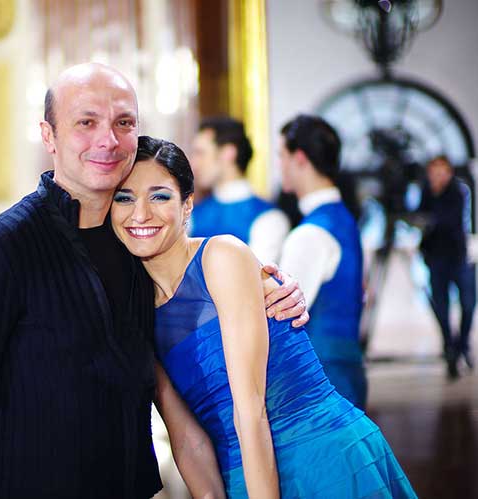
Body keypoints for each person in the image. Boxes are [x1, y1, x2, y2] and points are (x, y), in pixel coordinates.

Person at [0, 62, 307, 499]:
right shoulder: (4, 246)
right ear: (48, 135)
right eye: (86, 122)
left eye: (124, 122)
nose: (108, 140)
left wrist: (274, 288)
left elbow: (199, 293)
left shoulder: (136, 245)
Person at [111, 135, 417, 498]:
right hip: (240, 475)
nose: (140, 213)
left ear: (187, 204)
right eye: (124, 198)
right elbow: (187, 440)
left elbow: (250, 411)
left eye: (159, 195)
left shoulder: (221, 257)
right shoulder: (134, 309)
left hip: (321, 461)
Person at [278, 114, 367, 410]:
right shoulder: (343, 219)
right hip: (348, 368)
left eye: (282, 155)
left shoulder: (311, 233)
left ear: (300, 158)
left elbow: (281, 317)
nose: (280, 166)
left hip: (321, 380)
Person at [190, 117, 290, 263]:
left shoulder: (269, 218)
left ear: (228, 153)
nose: (194, 163)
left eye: (201, 153)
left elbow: (255, 280)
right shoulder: (192, 215)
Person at [419, 155, 476, 378]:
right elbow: (420, 216)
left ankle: (462, 346)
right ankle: (451, 348)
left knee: (468, 304)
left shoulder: (458, 191)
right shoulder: (427, 191)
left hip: (458, 256)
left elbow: (448, 221)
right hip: (436, 258)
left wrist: (431, 222)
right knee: (440, 307)